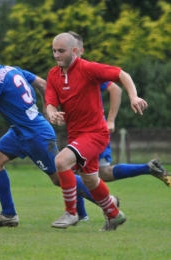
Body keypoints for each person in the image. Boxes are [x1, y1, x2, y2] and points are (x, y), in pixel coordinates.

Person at [0, 41, 114, 228]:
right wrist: (47, 109)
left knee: (59, 178)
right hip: (20, 131)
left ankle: (108, 202)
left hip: (35, 135)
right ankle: (9, 215)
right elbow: (42, 83)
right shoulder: (12, 69)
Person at [45, 32, 148, 231]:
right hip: (76, 135)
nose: (57, 55)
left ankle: (71, 212)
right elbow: (50, 102)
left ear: (75, 51)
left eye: (61, 51)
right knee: (91, 180)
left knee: (61, 161)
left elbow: (121, 74)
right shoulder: (53, 75)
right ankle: (114, 215)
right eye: (54, 51)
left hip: (95, 134)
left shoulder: (88, 68)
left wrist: (134, 97)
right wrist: (52, 113)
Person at [68, 31, 171, 187]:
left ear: (79, 50)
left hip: (93, 129)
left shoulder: (88, 70)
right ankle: (149, 168)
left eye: (72, 48)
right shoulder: (62, 74)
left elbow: (116, 89)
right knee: (104, 173)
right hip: (79, 128)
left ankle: (82, 211)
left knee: (71, 169)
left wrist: (110, 121)